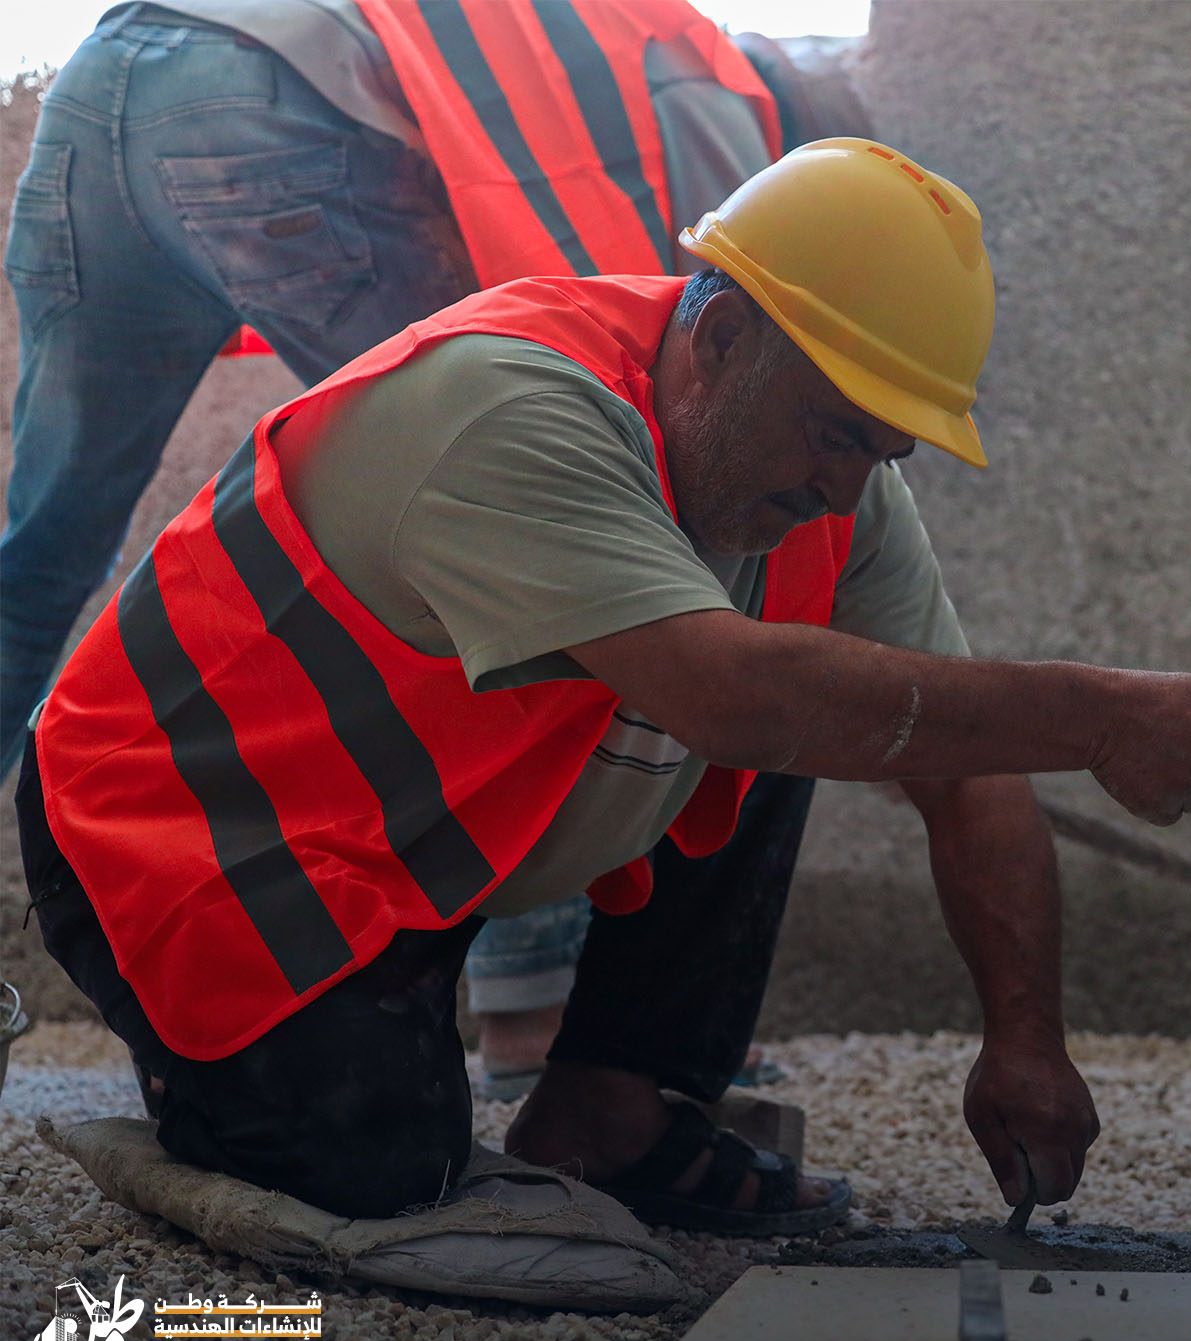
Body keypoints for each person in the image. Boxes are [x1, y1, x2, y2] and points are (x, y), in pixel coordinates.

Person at [18, 138, 1191, 1234]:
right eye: (837, 431)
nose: (848, 487)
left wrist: (1025, 1039)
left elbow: (961, 764)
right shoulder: (511, 402)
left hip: (407, 840)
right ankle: (203, 1088)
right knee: (373, 1168)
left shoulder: (833, 491)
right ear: (722, 336)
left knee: (847, 692)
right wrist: (1104, 712)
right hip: (188, 829)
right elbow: (736, 697)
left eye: (882, 448)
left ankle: (610, 1109)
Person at [0, 0, 853, 1091]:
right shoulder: (716, 82)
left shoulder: (631, 27)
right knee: (502, 499)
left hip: (117, 68)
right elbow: (673, 341)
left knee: (43, 551)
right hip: (266, 99)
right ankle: (530, 1005)